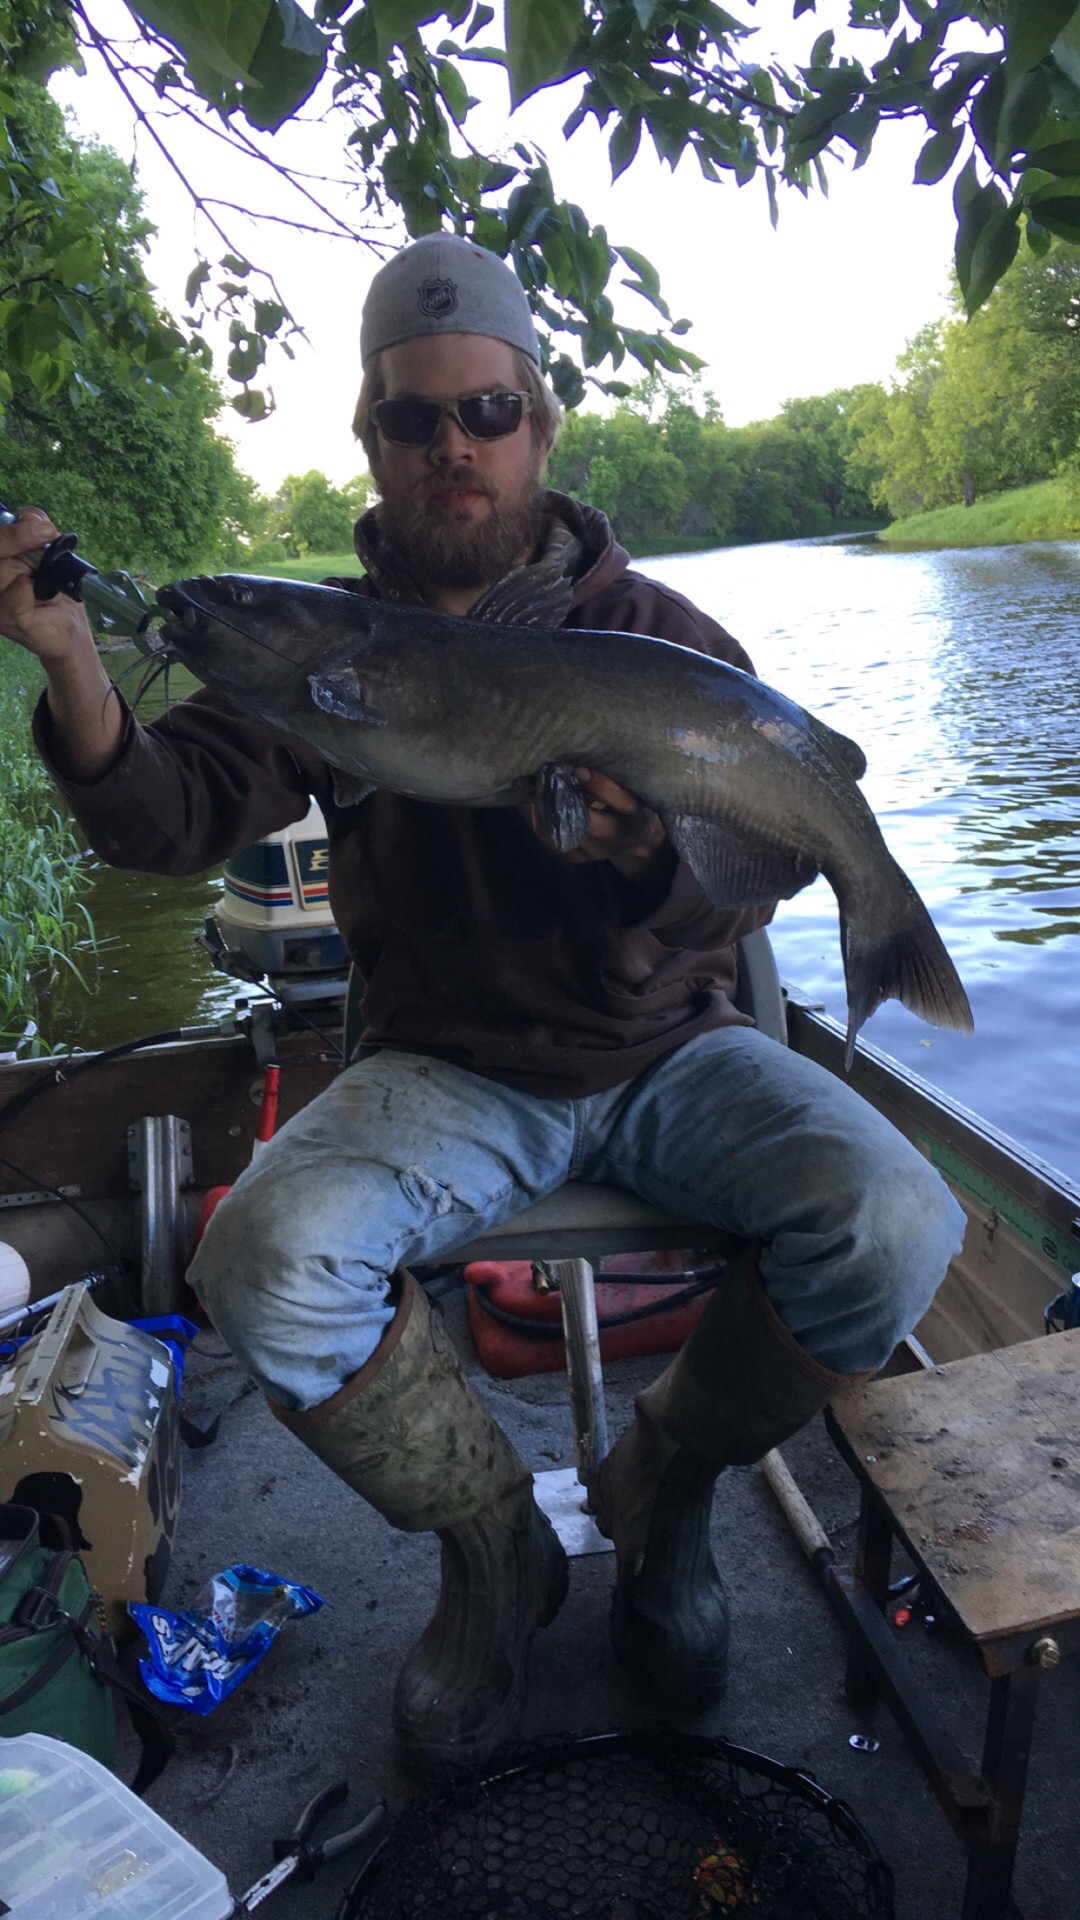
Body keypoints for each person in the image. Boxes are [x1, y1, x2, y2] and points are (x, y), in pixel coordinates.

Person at [0, 233, 965, 1780]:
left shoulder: (665, 643)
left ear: (540, 425)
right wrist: (70, 664)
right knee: (258, 1257)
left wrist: (656, 850)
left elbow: (748, 885)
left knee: (901, 1223)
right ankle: (497, 1549)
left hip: (672, 1048)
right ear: (370, 441)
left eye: (486, 412)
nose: (453, 445)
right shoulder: (325, 649)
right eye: (412, 419)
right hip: (444, 1067)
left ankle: (665, 1486)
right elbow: (166, 821)